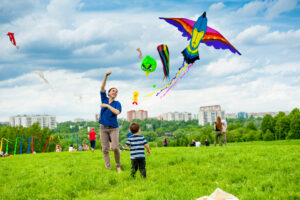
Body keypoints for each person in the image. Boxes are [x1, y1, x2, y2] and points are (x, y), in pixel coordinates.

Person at [99, 71, 122, 172]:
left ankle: (118, 166)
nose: (114, 92)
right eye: (113, 90)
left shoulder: (117, 103)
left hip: (113, 128)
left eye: (116, 91)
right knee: (105, 149)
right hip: (103, 128)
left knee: (115, 148)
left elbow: (117, 112)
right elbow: (102, 87)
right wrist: (106, 76)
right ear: (108, 93)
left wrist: (108, 106)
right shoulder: (104, 99)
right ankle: (108, 168)